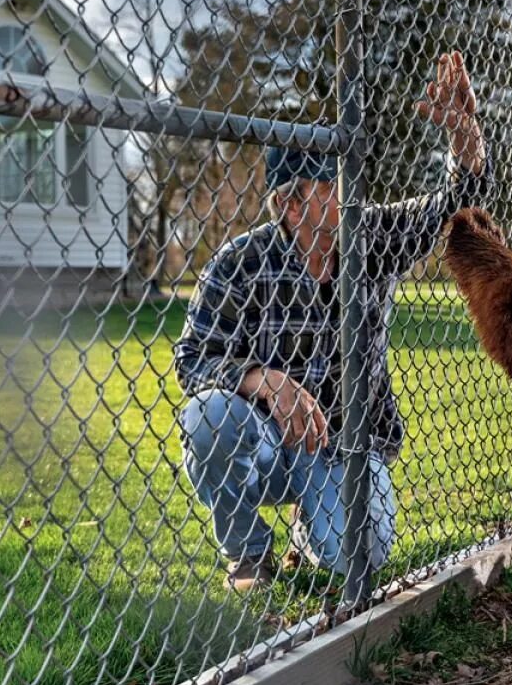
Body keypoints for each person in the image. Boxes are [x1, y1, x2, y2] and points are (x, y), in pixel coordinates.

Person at [173, 52, 494, 590]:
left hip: (345, 445)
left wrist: (465, 140)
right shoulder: (239, 263)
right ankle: (249, 553)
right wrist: (261, 378)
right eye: (332, 184)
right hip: (265, 442)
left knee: (363, 555)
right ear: (292, 204)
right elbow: (193, 360)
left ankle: (308, 529)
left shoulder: (369, 237)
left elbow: (456, 201)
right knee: (209, 418)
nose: (351, 194)